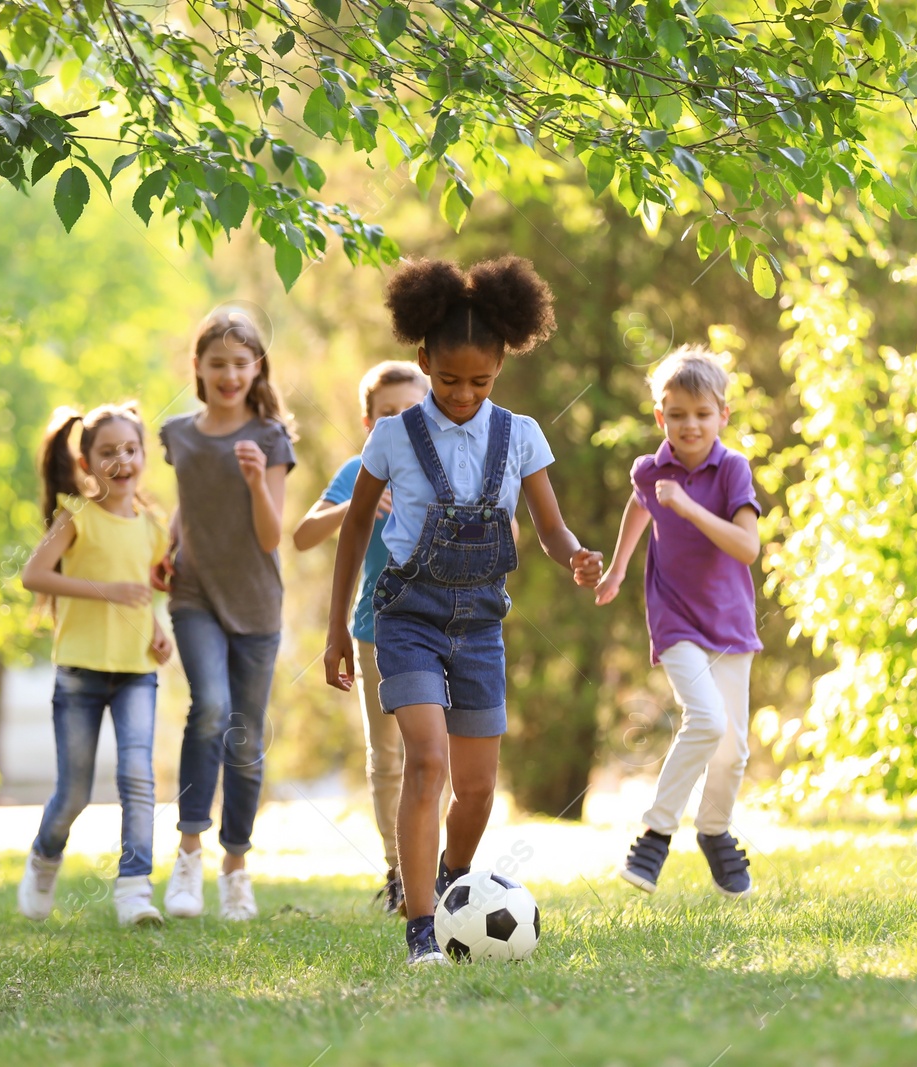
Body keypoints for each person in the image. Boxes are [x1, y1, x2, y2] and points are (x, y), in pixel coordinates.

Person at [323, 256, 604, 965]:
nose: (463, 395)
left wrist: (574, 552)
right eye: (449, 381)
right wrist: (334, 631)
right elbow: (355, 528)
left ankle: (452, 883)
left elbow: (548, 527)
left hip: (479, 627)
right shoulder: (392, 436)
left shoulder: (522, 435)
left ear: (501, 366)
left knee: (476, 790)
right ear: (424, 360)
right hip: (407, 621)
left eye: (480, 382)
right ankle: (421, 927)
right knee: (427, 760)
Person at [593, 346, 763, 898]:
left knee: (733, 749)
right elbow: (639, 505)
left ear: (723, 416)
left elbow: (746, 547)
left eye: (703, 414)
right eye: (678, 414)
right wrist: (618, 569)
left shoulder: (732, 469)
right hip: (674, 620)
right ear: (660, 416)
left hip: (730, 624)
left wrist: (688, 508)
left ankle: (714, 831)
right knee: (706, 720)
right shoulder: (651, 470)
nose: (691, 425)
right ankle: (655, 835)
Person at [155, 306, 295, 922]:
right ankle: (188, 856)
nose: (230, 374)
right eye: (218, 364)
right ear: (199, 369)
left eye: (241, 363)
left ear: (255, 368)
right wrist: (168, 548)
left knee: (244, 738)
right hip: (194, 594)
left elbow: (271, 537)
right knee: (208, 707)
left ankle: (235, 867)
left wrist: (259, 481)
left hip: (257, 601)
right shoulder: (179, 435)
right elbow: (190, 506)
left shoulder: (270, 438)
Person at [16, 402, 173, 927]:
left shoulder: (152, 527)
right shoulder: (75, 515)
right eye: (108, 452)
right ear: (87, 462)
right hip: (79, 672)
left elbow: (143, 596)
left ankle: (134, 889)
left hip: (135, 673)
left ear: (144, 457)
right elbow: (33, 575)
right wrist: (102, 591)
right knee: (74, 792)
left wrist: (157, 634)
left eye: (130, 450)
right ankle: (43, 859)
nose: (121, 460)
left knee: (137, 778)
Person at [293, 361, 429, 916]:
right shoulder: (359, 470)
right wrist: (361, 503)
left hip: (442, 625)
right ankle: (400, 870)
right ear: (369, 422)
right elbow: (304, 536)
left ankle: (434, 866)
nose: (400, 421)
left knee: (434, 753)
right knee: (389, 755)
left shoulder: (448, 464)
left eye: (411, 411)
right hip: (375, 629)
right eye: (387, 414)